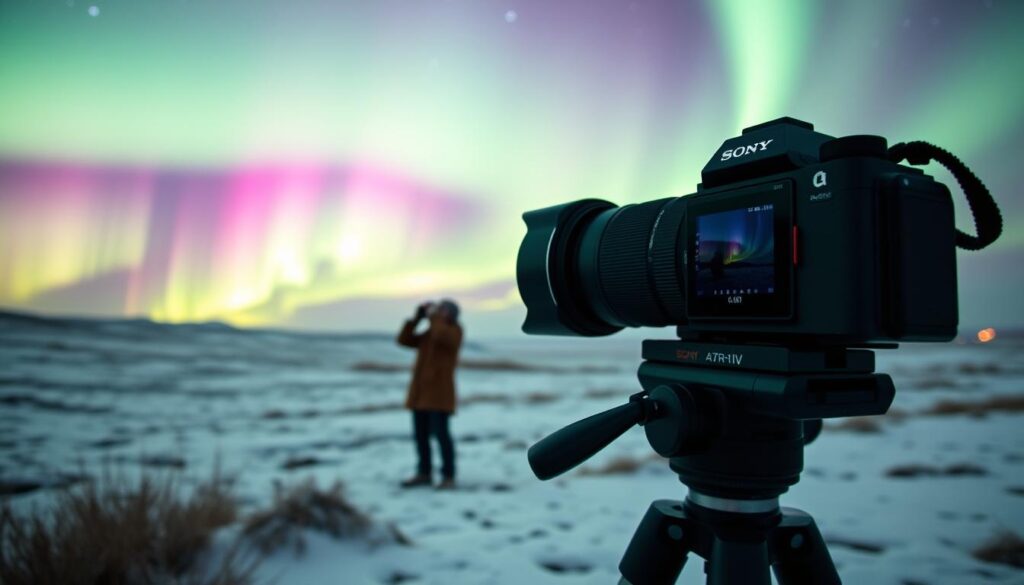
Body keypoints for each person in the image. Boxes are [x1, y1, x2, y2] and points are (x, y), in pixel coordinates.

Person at [396, 298, 463, 490]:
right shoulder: (429, 333)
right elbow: (404, 340)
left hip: (440, 397)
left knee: (442, 437)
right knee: (420, 437)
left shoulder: (454, 331)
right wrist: (416, 319)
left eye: (441, 310)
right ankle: (424, 473)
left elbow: (441, 335)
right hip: (420, 396)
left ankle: (448, 476)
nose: (437, 312)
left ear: (450, 314)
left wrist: (433, 317)